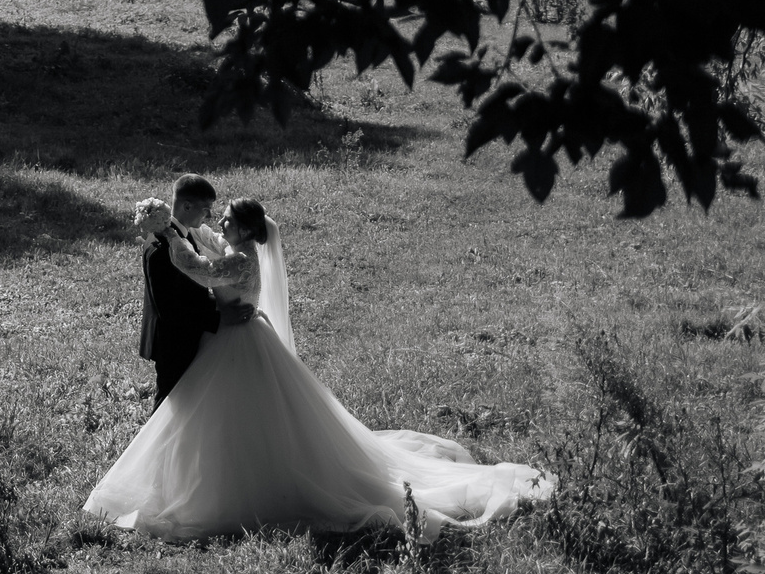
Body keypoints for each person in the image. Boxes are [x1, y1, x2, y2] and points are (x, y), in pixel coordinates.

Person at [85, 195, 555, 540]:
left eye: (226, 219)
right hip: (237, 338)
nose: (218, 223)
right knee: (224, 416)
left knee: (238, 415)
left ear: (245, 231)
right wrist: (176, 224)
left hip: (241, 343)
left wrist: (169, 234)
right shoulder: (237, 250)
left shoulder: (240, 261)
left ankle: (246, 488)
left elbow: (199, 269)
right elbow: (206, 243)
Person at [137, 173, 223, 407]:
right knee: (169, 405)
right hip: (173, 342)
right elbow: (170, 309)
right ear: (186, 206)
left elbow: (187, 289)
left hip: (182, 336)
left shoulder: (179, 235)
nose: (210, 215)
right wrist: (220, 318)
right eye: (206, 209)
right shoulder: (163, 247)